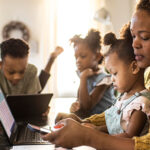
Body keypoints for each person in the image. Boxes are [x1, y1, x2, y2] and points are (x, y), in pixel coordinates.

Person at [41, 0, 150, 149]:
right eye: (133, 36)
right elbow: (113, 118)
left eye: (144, 37)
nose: (134, 44)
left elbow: (144, 143)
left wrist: (88, 135)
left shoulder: (141, 101)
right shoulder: (144, 77)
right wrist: (82, 123)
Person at [68, 29, 116, 119]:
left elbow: (86, 107)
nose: (78, 60)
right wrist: (75, 105)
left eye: (82, 56)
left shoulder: (105, 79)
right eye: (76, 57)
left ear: (97, 57)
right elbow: (81, 102)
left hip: (105, 121)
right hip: (89, 120)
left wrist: (83, 78)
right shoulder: (84, 74)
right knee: (61, 118)